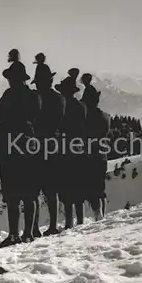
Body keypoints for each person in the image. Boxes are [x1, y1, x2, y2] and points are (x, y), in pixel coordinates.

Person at [0, 55, 39, 249]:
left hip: (9, 145)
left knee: (11, 193)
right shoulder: (33, 96)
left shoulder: (8, 95)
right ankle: (28, 234)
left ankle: (13, 235)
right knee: (29, 191)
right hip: (28, 144)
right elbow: (36, 115)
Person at [30, 70, 66, 237]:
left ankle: (35, 227)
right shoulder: (59, 99)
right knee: (52, 189)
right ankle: (52, 225)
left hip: (36, 145)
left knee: (34, 188)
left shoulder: (35, 99)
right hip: (52, 145)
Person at [55, 73, 87, 230]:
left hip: (63, 148)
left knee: (66, 185)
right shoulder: (81, 107)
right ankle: (80, 219)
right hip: (79, 147)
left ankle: (68, 221)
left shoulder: (60, 106)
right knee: (78, 183)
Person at [80, 73, 110, 221]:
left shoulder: (85, 117)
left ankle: (97, 214)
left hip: (88, 155)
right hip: (102, 155)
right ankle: (102, 215)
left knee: (91, 187)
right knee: (100, 186)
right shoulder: (105, 117)